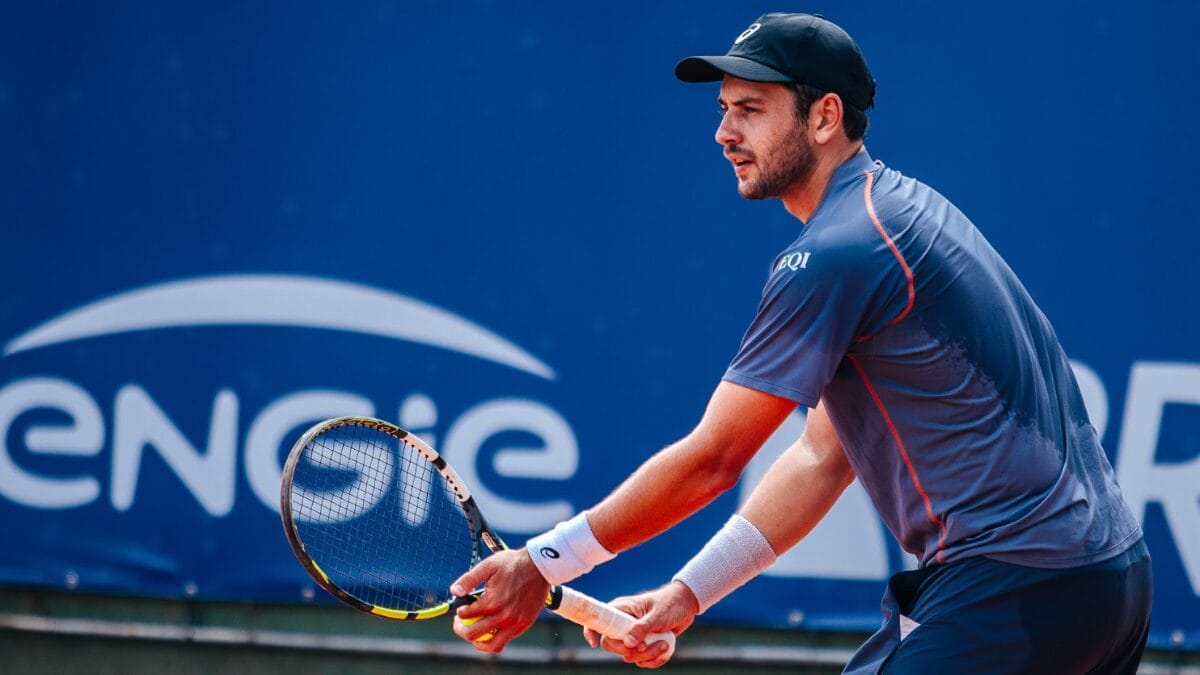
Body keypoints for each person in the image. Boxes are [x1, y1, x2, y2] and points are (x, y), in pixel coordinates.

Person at [450, 12, 1153, 673]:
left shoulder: (839, 252)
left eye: (750, 109)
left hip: (1019, 581)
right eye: (724, 109)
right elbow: (822, 457)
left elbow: (716, 458)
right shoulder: (896, 211)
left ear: (824, 117)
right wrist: (688, 593)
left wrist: (544, 562)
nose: (724, 132)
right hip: (1104, 580)